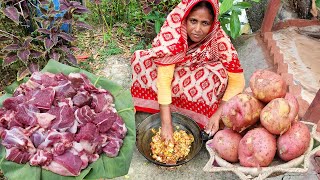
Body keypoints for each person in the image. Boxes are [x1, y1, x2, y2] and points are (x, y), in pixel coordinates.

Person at [130, 0, 245, 141]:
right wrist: (166, 124)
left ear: (213, 23)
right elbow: (164, 80)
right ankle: (160, 106)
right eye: (193, 21)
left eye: (205, 23)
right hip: (170, 71)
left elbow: (238, 81)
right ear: (185, 18)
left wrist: (218, 113)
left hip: (197, 73)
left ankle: (197, 114)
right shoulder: (173, 32)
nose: (197, 29)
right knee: (140, 59)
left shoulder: (218, 38)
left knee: (216, 76)